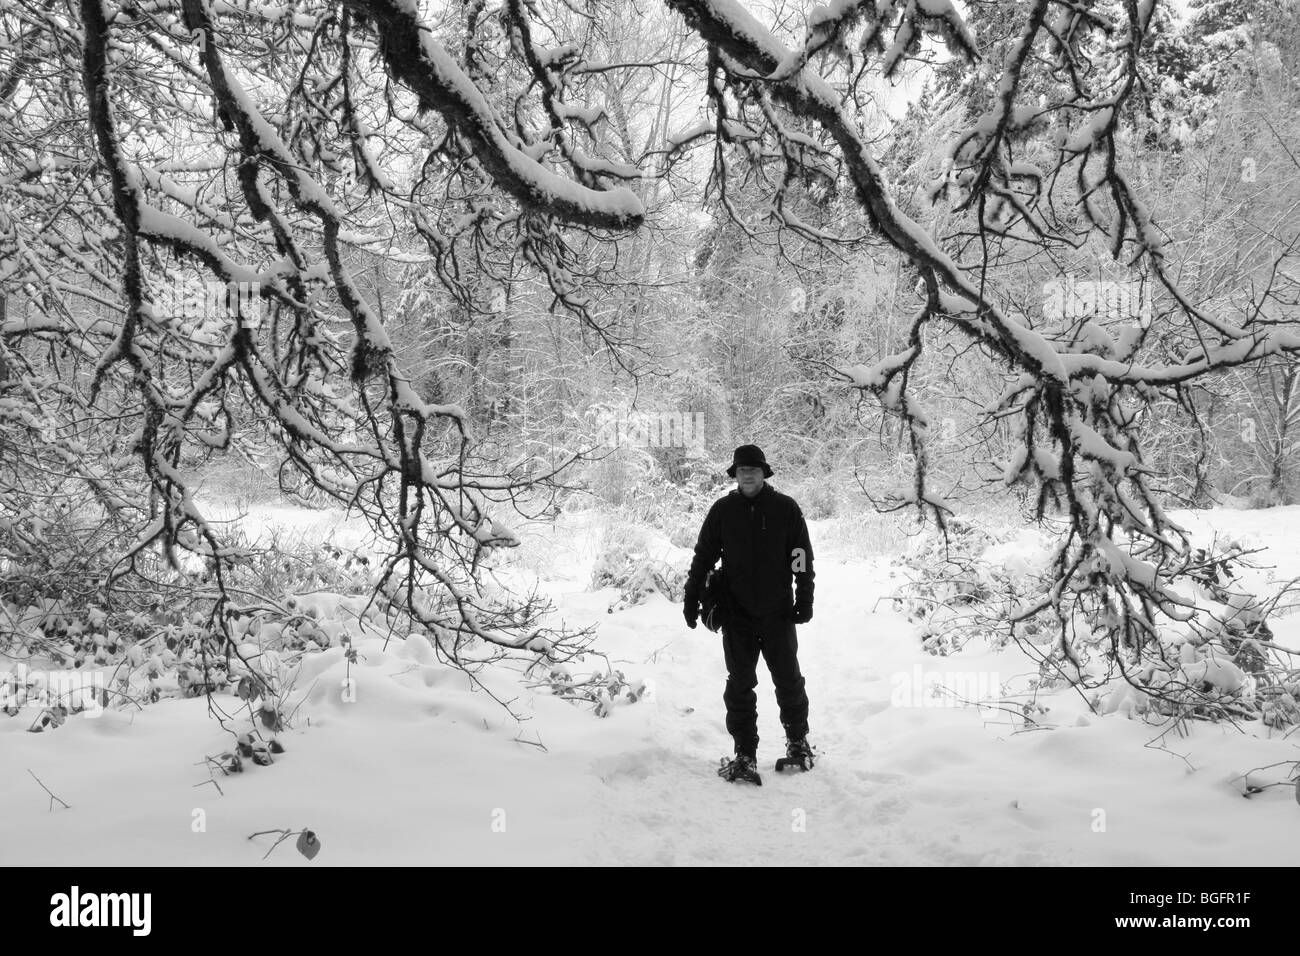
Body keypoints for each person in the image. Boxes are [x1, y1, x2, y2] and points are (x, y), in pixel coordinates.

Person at [682, 444, 815, 785]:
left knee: (788, 680)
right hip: (737, 615)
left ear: (764, 472)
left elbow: (800, 556)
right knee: (740, 685)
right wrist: (691, 597)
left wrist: (805, 597)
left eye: (754, 468)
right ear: (735, 473)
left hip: (778, 613)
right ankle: (745, 754)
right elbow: (703, 557)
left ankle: (798, 743)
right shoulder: (723, 511)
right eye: (742, 469)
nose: (748, 474)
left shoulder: (785, 509)